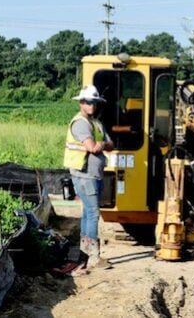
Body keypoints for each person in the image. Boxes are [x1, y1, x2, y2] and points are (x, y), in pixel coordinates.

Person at [64, 84, 114, 273]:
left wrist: (102, 144)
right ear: (81, 103)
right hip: (84, 174)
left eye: (94, 102)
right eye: (88, 102)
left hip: (93, 174)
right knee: (93, 213)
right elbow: (92, 147)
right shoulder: (80, 123)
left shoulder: (96, 123)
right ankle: (93, 256)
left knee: (88, 213)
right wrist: (102, 144)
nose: (91, 105)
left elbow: (110, 144)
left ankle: (85, 255)